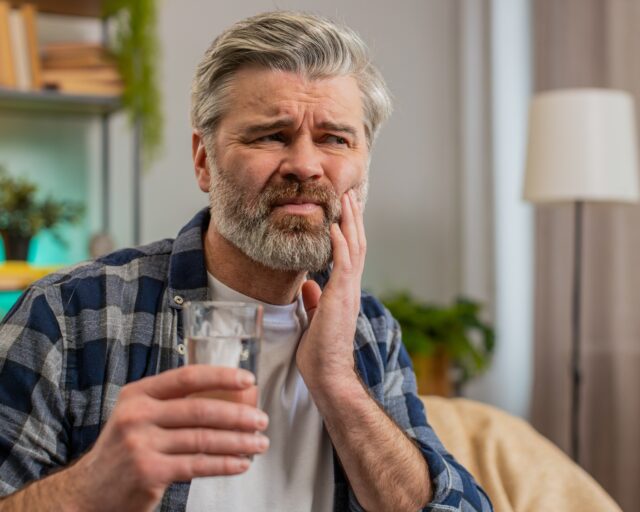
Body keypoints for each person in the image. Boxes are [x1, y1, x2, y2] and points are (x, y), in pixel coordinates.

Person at [0, 11, 492, 512]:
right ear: (202, 161)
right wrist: (92, 486)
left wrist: (338, 382)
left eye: (335, 139)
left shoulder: (371, 330)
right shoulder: (68, 316)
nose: (304, 164)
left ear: (364, 166)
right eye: (271, 136)